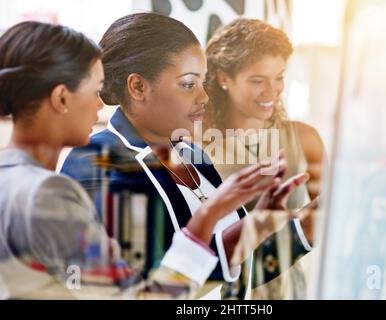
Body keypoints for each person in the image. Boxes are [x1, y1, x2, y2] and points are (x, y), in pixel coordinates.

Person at [0, 21, 281, 299]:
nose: (100, 105)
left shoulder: (12, 178)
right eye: (95, 91)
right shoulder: (55, 188)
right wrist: (208, 216)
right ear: (62, 98)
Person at [61, 12, 314, 299]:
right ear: (138, 87)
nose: (204, 97)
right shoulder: (97, 163)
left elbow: (238, 275)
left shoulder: (192, 155)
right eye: (188, 84)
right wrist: (215, 215)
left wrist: (303, 225)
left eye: (202, 83)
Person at [203, 18, 326, 298]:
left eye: (279, 77)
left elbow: (331, 220)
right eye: (258, 80)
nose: (272, 91)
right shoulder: (196, 146)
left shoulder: (305, 140)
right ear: (224, 79)